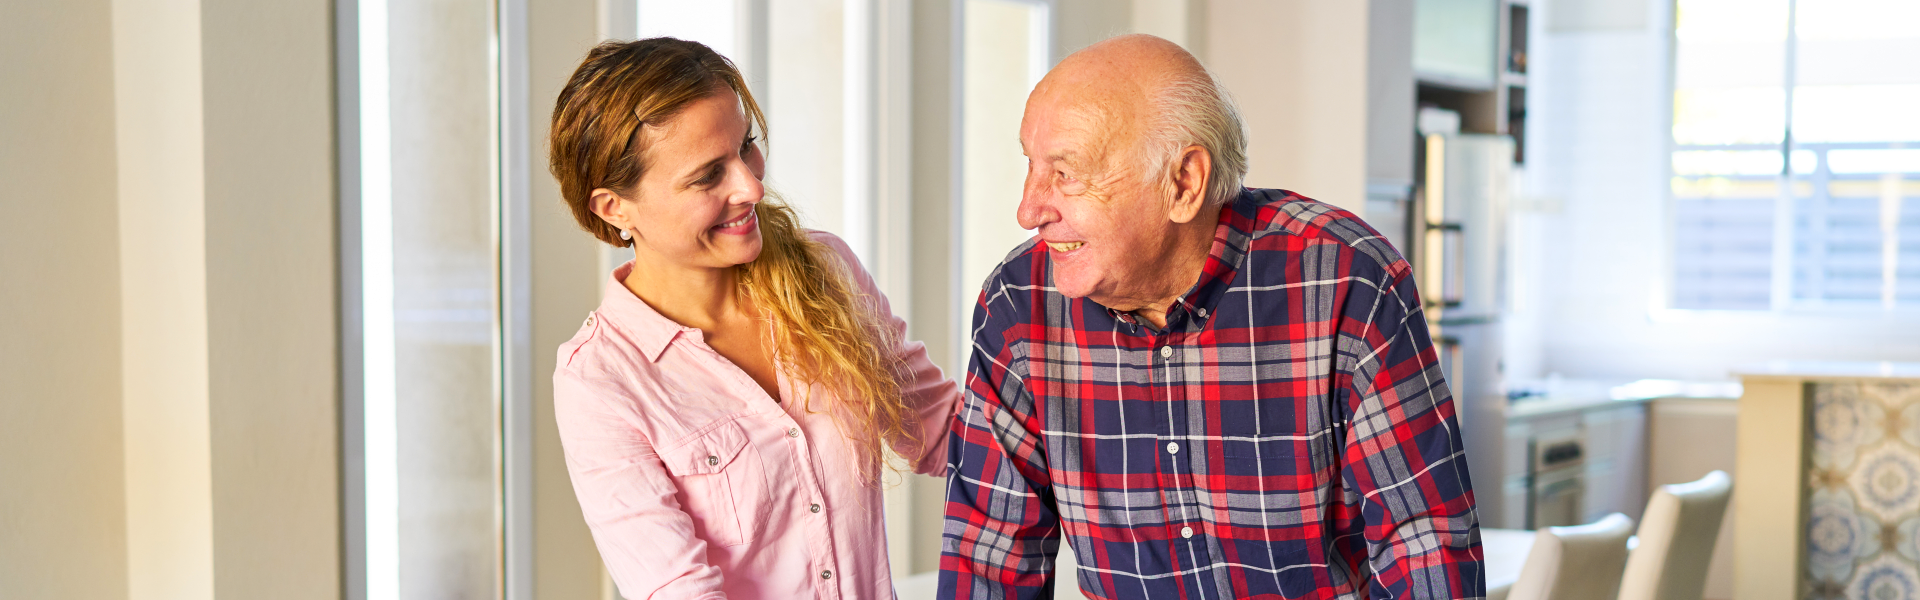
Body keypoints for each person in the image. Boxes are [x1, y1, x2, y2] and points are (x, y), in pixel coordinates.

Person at [939, 34, 1483, 599]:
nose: (1028, 209)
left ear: (1183, 183)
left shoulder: (1346, 281)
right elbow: (989, 560)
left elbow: (1425, 545)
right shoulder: (1017, 306)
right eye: (1030, 166)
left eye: (1067, 173)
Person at [547, 38, 961, 599]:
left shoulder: (828, 271)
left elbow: (945, 432)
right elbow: (679, 588)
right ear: (615, 207)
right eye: (706, 176)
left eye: (747, 147)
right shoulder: (599, 381)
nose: (751, 187)